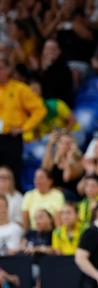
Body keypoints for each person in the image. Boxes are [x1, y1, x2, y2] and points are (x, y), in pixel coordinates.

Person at [0, 55, 47, 188]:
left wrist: (24, 128)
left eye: (1, 68)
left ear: (8, 70)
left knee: (12, 173)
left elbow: (40, 109)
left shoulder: (20, 89)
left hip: (11, 138)